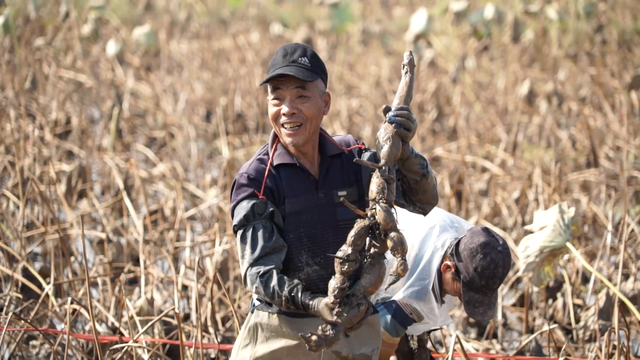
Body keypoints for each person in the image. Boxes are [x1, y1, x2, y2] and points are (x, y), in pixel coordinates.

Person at [228, 42, 439, 359]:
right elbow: (260, 275)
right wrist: (314, 304)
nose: (288, 108)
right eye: (277, 97)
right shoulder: (257, 181)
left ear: (325, 103)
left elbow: (423, 202)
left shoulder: (353, 157)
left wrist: (405, 153)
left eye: (301, 95)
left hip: (351, 323)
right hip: (282, 327)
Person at [371, 207, 513, 360]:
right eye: (463, 291)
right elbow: (376, 341)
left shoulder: (471, 241)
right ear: (447, 268)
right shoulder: (417, 293)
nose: (461, 299)